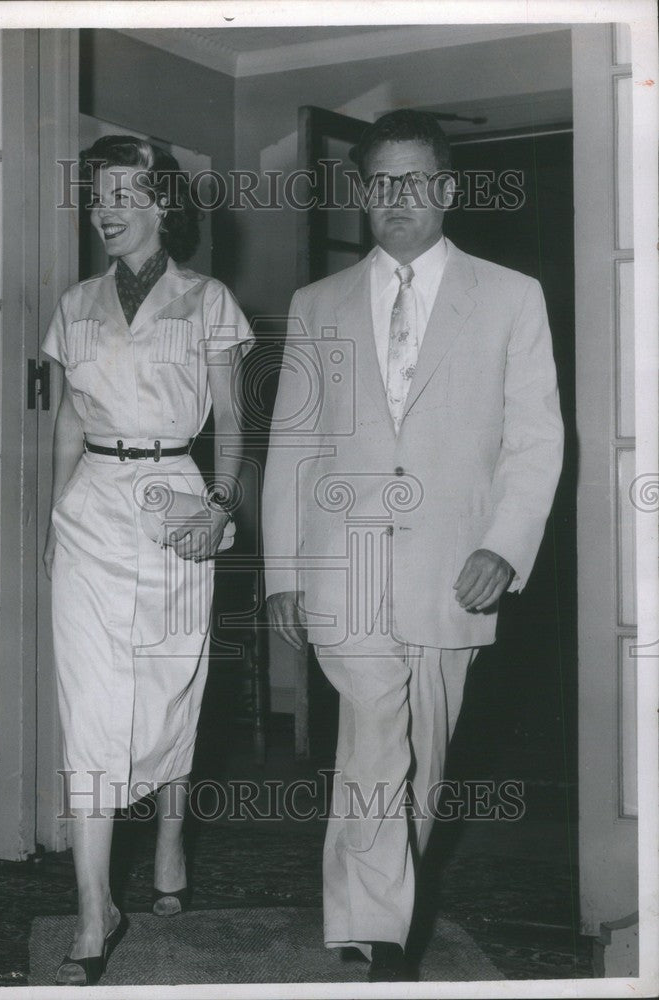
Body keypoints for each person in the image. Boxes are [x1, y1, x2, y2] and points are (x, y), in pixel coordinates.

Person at [262, 109, 564, 982]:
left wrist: (504, 546)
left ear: (445, 190)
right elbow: (294, 442)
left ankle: (364, 914)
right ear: (362, 193)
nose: (394, 198)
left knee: (418, 758)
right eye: (378, 182)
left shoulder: (510, 296)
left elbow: (534, 439)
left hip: (451, 567)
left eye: (413, 180)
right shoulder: (315, 304)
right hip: (342, 564)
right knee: (373, 732)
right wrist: (283, 570)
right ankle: (387, 938)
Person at [41, 135, 253, 985]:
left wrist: (220, 505)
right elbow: (64, 417)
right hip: (91, 501)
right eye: (99, 195)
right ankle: (96, 908)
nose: (108, 210)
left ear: (165, 205)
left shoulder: (207, 300)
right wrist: (55, 513)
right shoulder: (76, 302)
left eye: (128, 194)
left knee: (169, 685)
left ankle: (169, 840)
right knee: (88, 702)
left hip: (175, 495)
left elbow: (232, 420)